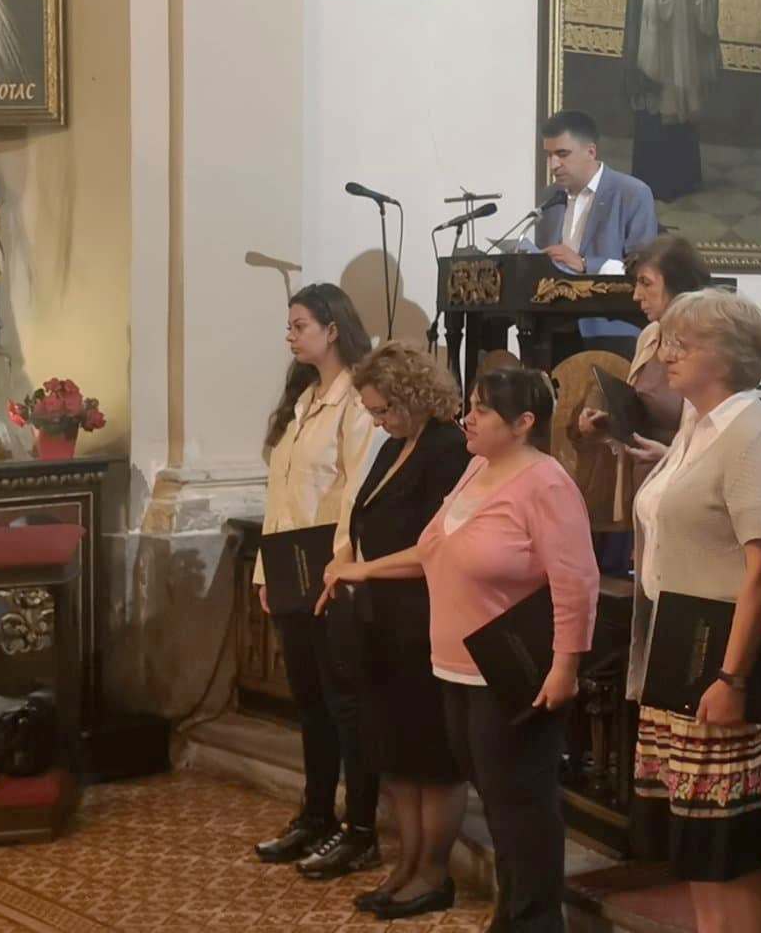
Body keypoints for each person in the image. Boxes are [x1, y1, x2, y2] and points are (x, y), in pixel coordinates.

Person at [326, 364, 600, 932]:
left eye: (481, 410)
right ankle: (513, 915)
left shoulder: (546, 483)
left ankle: (535, 922)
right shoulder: (477, 468)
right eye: (469, 405)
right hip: (454, 667)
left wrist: (565, 666)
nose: (466, 418)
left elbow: (576, 581)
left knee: (521, 808)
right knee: (497, 805)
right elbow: (431, 551)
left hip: (510, 672)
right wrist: (364, 570)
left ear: (523, 422)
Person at [627, 289, 761, 933]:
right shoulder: (697, 427)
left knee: (729, 849)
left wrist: (732, 677)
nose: (668, 353)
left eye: (684, 343)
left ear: (730, 356)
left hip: (724, 655)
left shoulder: (752, 434)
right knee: (698, 850)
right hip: (681, 648)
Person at [318, 342, 470, 919]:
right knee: (396, 753)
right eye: (372, 411)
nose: (378, 421)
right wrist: (346, 567)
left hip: (427, 618)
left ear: (412, 395)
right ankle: (406, 865)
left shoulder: (448, 449)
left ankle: (433, 872)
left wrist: (363, 570)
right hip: (382, 621)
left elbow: (440, 546)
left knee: (432, 754)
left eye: (383, 409)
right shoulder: (392, 446)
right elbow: (365, 520)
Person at [252, 283, 381, 878]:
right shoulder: (303, 399)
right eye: (289, 325)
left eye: (299, 325)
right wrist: (266, 571)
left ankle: (360, 828)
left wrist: (340, 566)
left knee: (344, 703)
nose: (290, 335)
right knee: (309, 702)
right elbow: (280, 495)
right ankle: (316, 814)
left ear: (333, 329)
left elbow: (357, 491)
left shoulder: (356, 400)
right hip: (290, 569)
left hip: (330, 571)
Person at [574, 234, 709, 568]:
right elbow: (643, 414)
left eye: (646, 284)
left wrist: (668, 456)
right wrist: (608, 424)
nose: (636, 295)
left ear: (678, 285)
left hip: (686, 493)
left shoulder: (707, 345)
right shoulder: (650, 336)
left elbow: (714, 436)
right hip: (646, 486)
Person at [622, 0, 724, 201]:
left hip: (680, 43)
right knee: (658, 108)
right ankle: (655, 181)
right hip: (656, 44)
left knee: (681, 109)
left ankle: (683, 179)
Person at [536, 108, 661, 347]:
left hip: (612, 326)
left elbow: (643, 269)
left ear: (591, 152)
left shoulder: (632, 193)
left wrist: (585, 264)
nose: (553, 165)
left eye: (562, 154)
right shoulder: (549, 197)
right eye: (549, 155)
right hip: (553, 328)